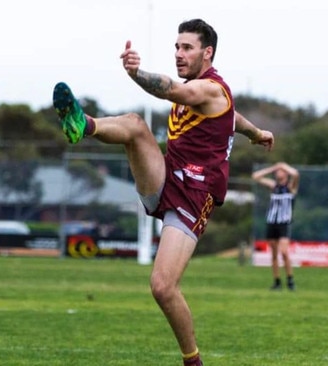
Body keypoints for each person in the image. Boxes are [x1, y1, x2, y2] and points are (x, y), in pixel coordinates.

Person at [52, 19, 274, 366]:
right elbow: (234, 117)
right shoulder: (212, 94)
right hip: (168, 176)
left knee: (162, 286)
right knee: (136, 126)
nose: (179, 54)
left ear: (208, 52)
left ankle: (193, 361)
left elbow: (172, 90)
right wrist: (256, 132)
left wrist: (137, 74)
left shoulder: (208, 90)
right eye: (176, 47)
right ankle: (85, 124)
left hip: (195, 196)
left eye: (187, 48)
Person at [252, 162, 299, 291]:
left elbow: (295, 174)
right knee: (273, 254)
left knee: (284, 252)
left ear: (286, 173)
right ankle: (277, 281)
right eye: (278, 171)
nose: (279, 172)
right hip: (272, 222)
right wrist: (273, 168)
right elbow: (256, 176)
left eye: (281, 171)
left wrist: (282, 165)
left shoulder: (291, 187)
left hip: (284, 223)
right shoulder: (274, 186)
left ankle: (290, 279)